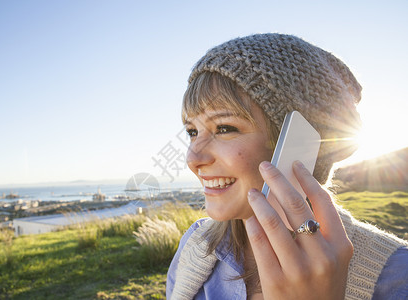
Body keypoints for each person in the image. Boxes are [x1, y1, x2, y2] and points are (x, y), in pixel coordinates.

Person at [166, 33, 407, 300]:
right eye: (192, 131)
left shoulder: (397, 275)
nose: (193, 159)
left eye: (224, 128)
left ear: (297, 143)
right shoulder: (194, 245)